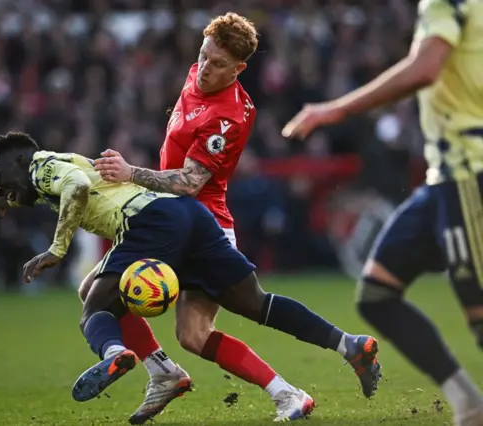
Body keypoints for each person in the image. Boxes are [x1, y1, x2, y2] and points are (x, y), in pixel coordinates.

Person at [86, 12, 379, 424]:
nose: (205, 68)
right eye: (204, 56)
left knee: (244, 306)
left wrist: (132, 174)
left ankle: (309, 371)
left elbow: (191, 181)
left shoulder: (230, 116)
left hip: (199, 224)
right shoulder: (195, 75)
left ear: (239, 69)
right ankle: (309, 374)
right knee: (192, 333)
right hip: (170, 217)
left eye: (218, 64)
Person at [0, 131, 381, 423]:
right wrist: (7, 197)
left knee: (93, 308)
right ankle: (346, 347)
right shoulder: (49, 167)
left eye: (0, 178)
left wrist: (56, 249)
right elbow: (62, 183)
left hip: (146, 224)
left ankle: (123, 357)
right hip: (185, 216)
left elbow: (78, 185)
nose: (0, 187)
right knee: (252, 305)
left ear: (20, 162)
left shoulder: (42, 167)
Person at [282, 1, 483, 425]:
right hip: (443, 178)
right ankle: (469, 404)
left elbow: (425, 66)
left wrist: (337, 108)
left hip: (469, 173)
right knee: (376, 293)